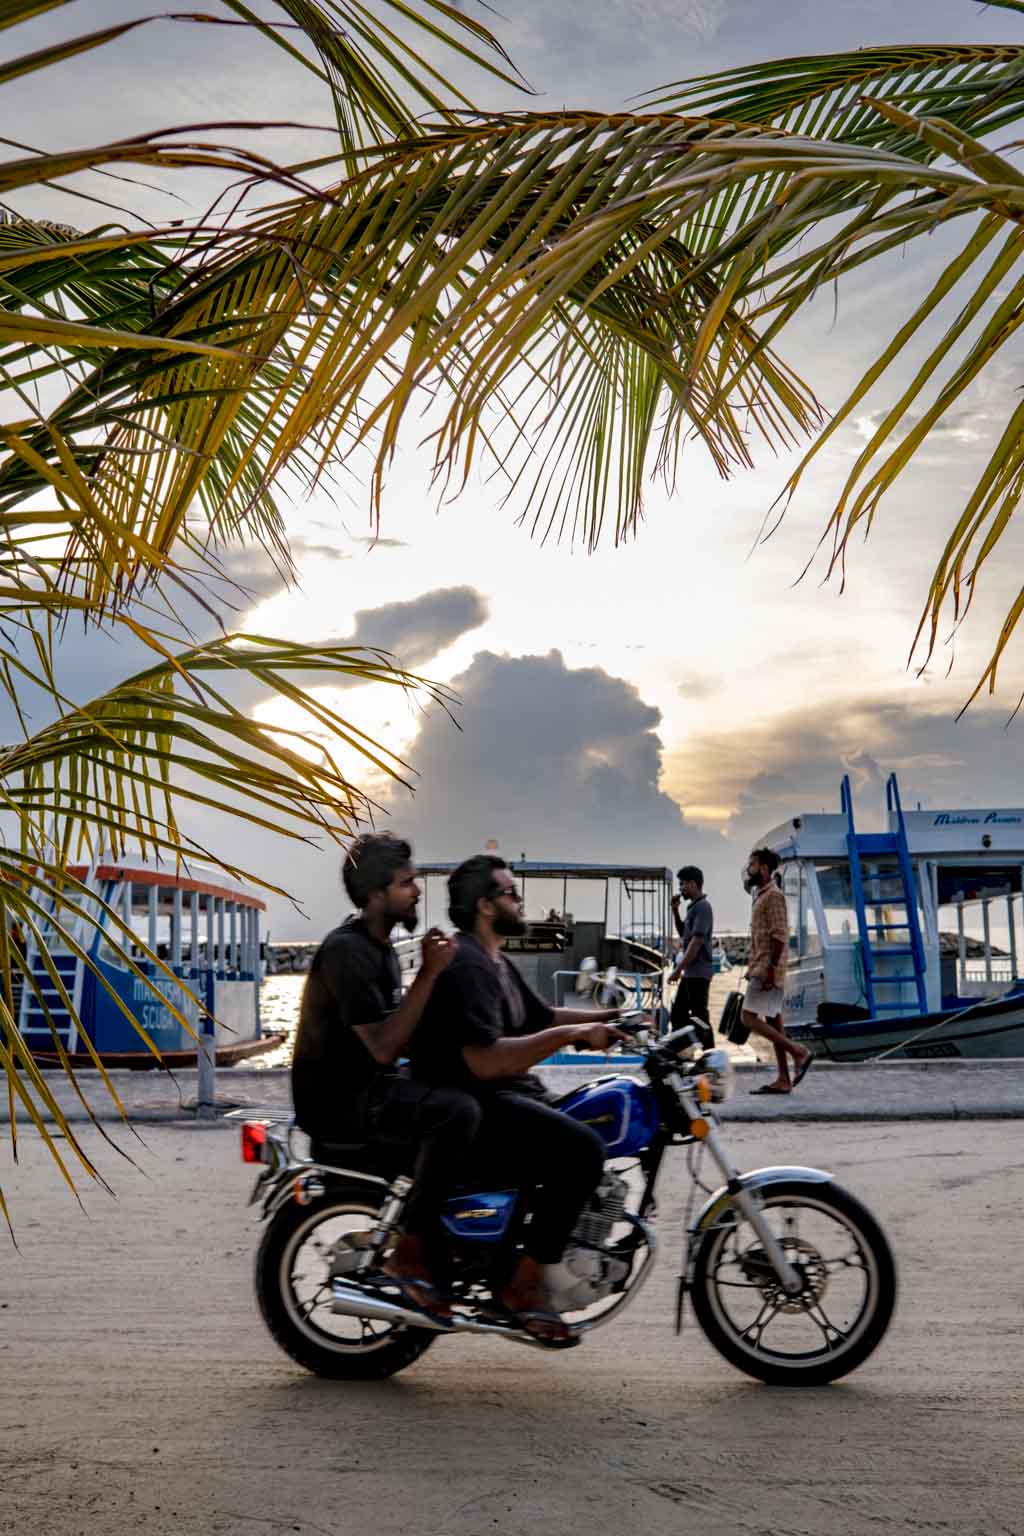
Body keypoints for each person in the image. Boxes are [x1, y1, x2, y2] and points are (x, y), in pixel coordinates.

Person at [410, 854, 628, 1340]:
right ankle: (522, 1287)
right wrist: (575, 1036)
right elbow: (486, 1061)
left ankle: (536, 1254)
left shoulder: (494, 960)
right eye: (510, 892)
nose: (520, 899)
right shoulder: (466, 964)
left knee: (582, 1119)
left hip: (505, 1093)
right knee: (583, 1149)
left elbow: (542, 1016)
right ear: (486, 906)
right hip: (477, 1101)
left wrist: (612, 1021)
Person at [291, 832, 477, 1318]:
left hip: (370, 1089)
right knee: (457, 1113)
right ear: (375, 894)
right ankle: (410, 1253)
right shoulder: (347, 952)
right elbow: (381, 1047)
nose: (416, 891)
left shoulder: (380, 949)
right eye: (405, 883)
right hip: (342, 1102)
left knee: (467, 1092)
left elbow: (400, 1032)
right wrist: (429, 974)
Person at [742, 847, 812, 1095]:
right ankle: (784, 1078)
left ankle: (798, 1052)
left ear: (763, 868)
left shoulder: (773, 896)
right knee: (774, 1022)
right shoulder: (761, 895)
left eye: (752, 865)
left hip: (767, 969)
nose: (748, 869)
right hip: (760, 966)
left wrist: (770, 969)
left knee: (747, 1018)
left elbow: (780, 935)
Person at [669, 865, 714, 1049]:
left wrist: (677, 970)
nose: (680, 888)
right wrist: (675, 910)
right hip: (690, 973)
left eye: (683, 884)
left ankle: (710, 1054)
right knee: (679, 1013)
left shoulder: (703, 907)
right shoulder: (692, 907)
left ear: (693, 884)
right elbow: (684, 934)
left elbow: (696, 942)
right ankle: (681, 1050)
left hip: (699, 973)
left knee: (699, 1017)